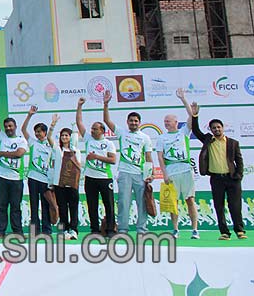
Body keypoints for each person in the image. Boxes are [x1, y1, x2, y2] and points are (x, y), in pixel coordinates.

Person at [184, 91, 246, 240]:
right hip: (216, 179)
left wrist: (238, 175)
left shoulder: (232, 142)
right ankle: (224, 232)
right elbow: (196, 130)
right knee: (219, 207)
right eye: (214, 128)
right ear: (211, 130)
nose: (216, 129)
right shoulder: (207, 140)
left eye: (218, 127)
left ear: (222, 128)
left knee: (235, 206)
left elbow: (239, 160)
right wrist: (195, 116)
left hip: (232, 179)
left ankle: (239, 231)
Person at [103, 100, 153, 235]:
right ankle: (123, 229)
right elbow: (106, 120)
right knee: (123, 203)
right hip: (124, 173)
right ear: (127, 122)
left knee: (141, 203)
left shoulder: (145, 137)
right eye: (131, 121)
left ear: (139, 122)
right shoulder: (121, 133)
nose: (133, 123)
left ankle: (141, 229)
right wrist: (106, 104)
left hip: (140, 174)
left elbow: (148, 157)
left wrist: (149, 174)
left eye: (136, 121)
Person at [156, 89, 199, 239]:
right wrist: (164, 174)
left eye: (169, 121)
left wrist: (183, 99)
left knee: (190, 199)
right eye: (165, 122)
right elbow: (160, 158)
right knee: (173, 202)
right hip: (171, 171)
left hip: (186, 169)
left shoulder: (183, 132)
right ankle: (175, 229)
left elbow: (191, 117)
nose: (166, 123)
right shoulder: (161, 138)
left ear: (176, 122)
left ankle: (194, 229)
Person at [76, 94, 117, 236]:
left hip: (105, 178)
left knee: (109, 205)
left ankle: (110, 230)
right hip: (90, 178)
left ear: (102, 131)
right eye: (92, 129)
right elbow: (79, 123)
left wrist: (96, 156)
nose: (92, 131)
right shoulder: (88, 139)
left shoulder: (109, 143)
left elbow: (113, 160)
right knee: (92, 205)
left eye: (95, 129)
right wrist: (79, 106)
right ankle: (94, 229)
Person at [0, 97, 27, 236]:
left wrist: (2, 153)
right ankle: (1, 231)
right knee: (1, 206)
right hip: (2, 177)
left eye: (10, 126)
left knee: (15, 207)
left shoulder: (21, 140)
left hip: (16, 179)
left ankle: (17, 231)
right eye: (6, 126)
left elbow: (19, 154)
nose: (8, 128)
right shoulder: (1, 137)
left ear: (15, 127)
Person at [21, 107, 57, 235]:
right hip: (33, 178)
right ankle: (35, 230)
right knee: (34, 204)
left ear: (45, 133)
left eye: (40, 132)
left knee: (46, 205)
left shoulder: (51, 144)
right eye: (36, 132)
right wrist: (29, 115)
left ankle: (47, 229)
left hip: (45, 180)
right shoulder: (32, 143)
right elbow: (23, 130)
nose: (37, 134)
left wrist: (52, 125)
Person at [50, 126, 81, 239]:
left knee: (73, 207)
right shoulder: (58, 149)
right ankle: (64, 230)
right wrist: (53, 125)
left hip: (72, 184)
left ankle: (73, 230)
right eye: (62, 135)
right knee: (62, 207)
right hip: (60, 184)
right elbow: (49, 138)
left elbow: (78, 167)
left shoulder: (76, 151)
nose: (64, 137)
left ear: (70, 137)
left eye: (66, 135)